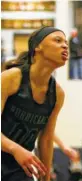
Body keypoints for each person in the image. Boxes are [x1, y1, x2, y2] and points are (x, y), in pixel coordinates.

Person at [1, 26, 68, 181]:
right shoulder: (11, 78)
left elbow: (46, 139)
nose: (65, 45)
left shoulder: (58, 93)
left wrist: (46, 178)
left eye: (66, 43)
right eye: (57, 40)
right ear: (37, 47)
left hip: (19, 165)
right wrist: (15, 149)